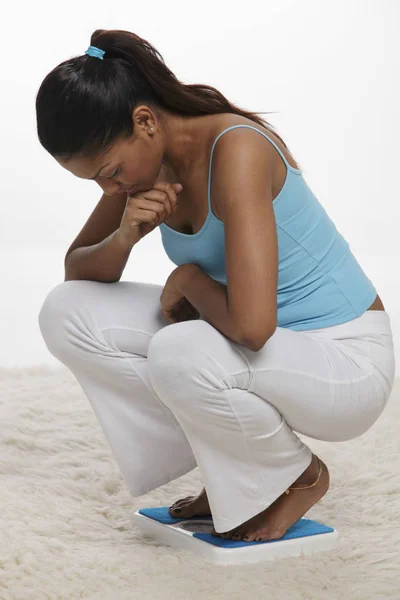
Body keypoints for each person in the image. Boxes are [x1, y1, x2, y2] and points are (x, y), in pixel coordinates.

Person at [36, 29, 395, 543]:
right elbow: (78, 270)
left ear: (145, 122)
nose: (109, 188)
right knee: (64, 312)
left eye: (111, 172)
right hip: (256, 348)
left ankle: (294, 476)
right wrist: (125, 235)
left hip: (345, 358)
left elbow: (252, 327)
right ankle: (236, 471)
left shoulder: (236, 151)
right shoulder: (140, 168)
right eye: (95, 180)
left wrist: (187, 280)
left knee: (180, 349)